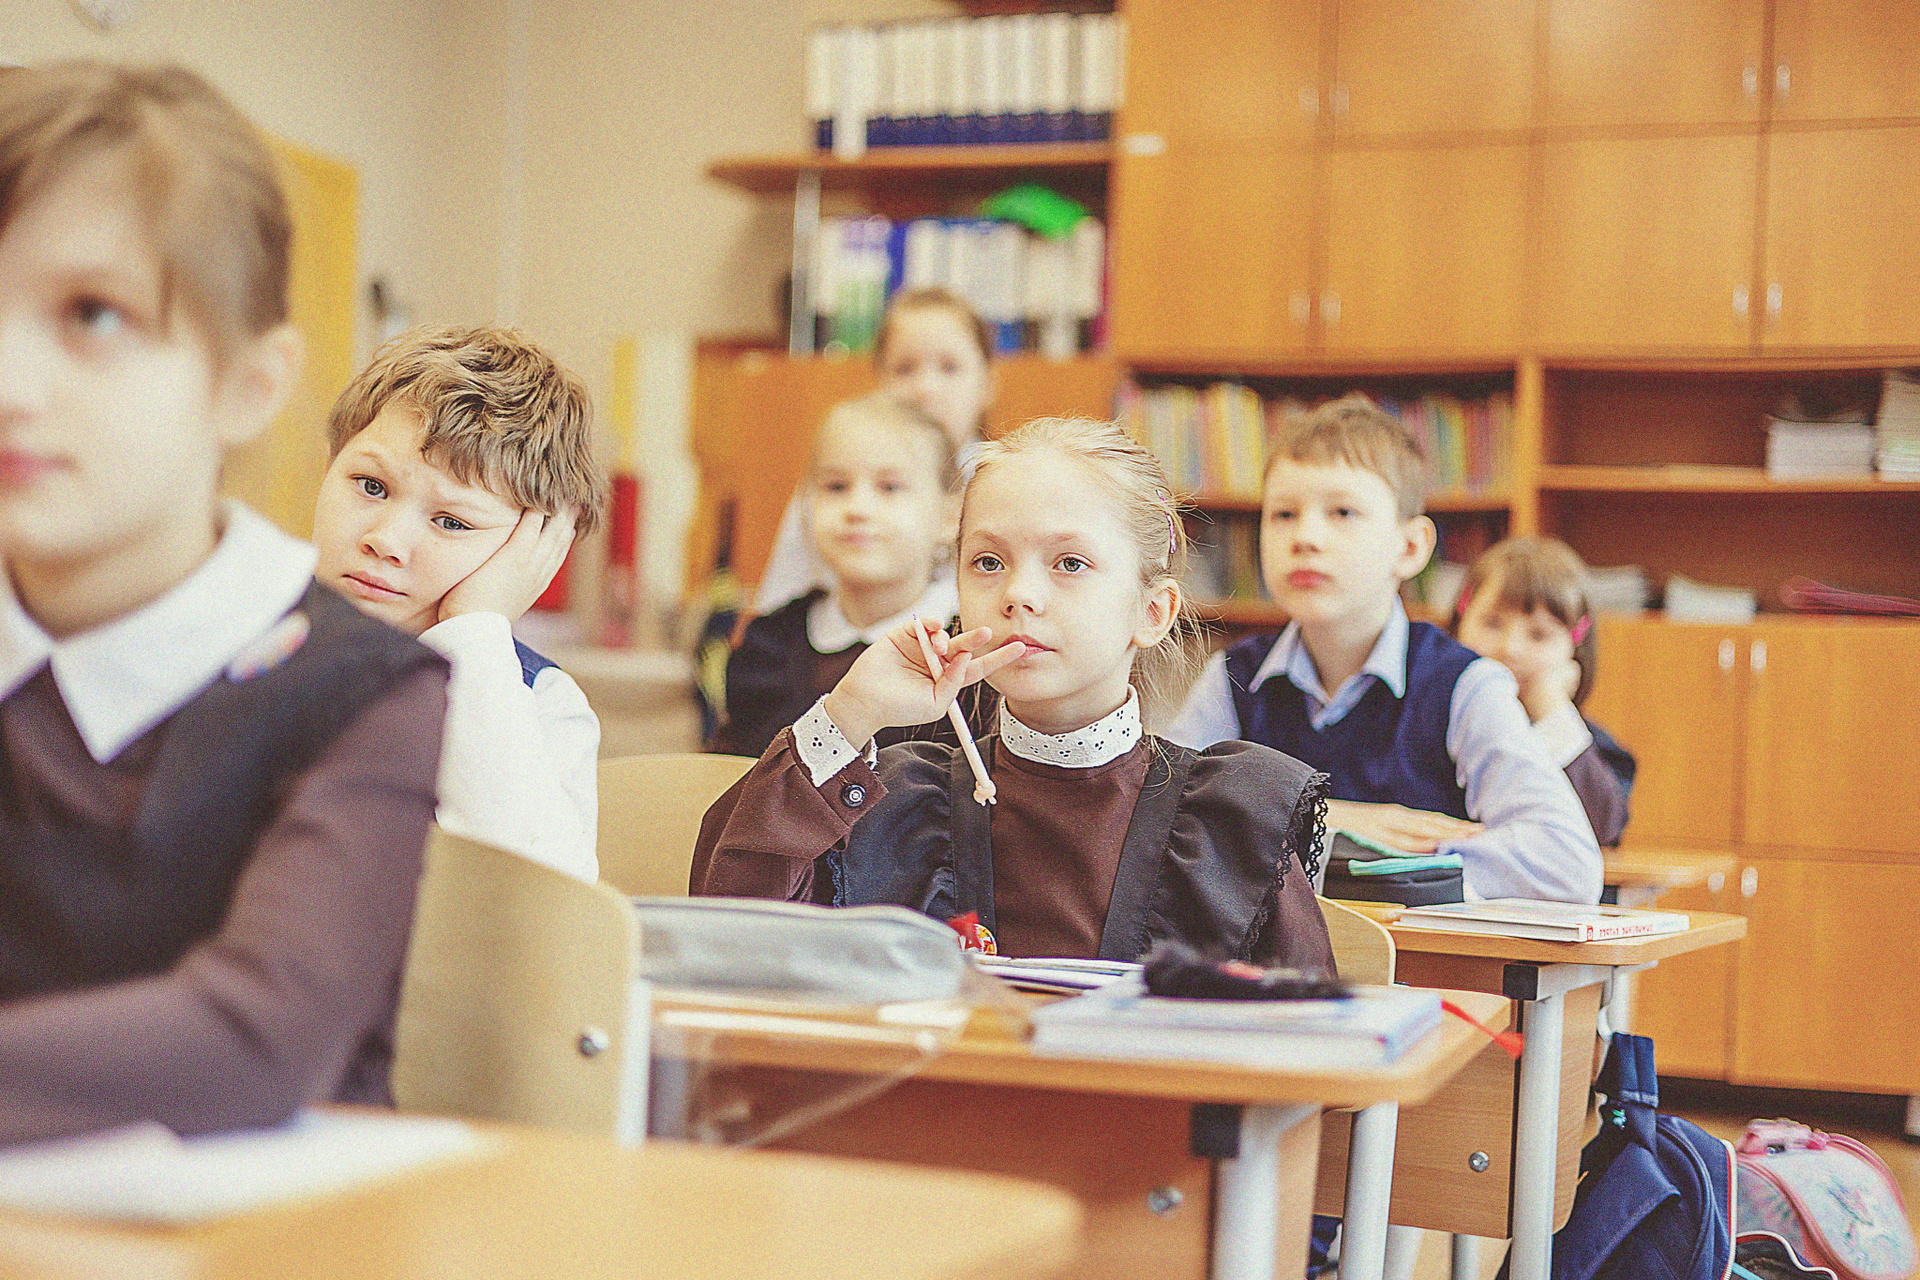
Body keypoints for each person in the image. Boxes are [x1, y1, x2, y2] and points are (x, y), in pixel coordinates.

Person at [0, 61, 449, 1145]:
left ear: (251, 385)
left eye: (93, 314)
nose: (10, 381)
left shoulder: (359, 687)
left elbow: (256, 1035)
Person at [693, 418, 1335, 971]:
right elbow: (727, 940)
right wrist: (848, 713)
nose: (1018, 594)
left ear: (1153, 611)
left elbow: (1309, 1047)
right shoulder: (899, 801)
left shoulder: (1229, 822)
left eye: (1069, 564)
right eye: (988, 562)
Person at [1165, 394, 1602, 905]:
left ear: (1411, 548)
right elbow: (1157, 825)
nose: (1305, 536)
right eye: (1283, 514)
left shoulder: (1465, 684)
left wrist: (1336, 855)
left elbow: (1566, 865)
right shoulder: (1231, 677)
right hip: (1272, 957)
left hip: (1418, 957)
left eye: (1342, 512)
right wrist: (1322, 820)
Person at [311, 324, 606, 881]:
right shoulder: (242, 637)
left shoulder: (539, 701)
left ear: (533, 547)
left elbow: (540, 895)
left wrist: (474, 630)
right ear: (329, 467)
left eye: (451, 522)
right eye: (371, 486)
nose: (386, 541)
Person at [713, 392, 960, 757]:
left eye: (889, 487)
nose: (857, 508)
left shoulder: (966, 652)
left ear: (950, 516)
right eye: (836, 487)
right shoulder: (767, 644)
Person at [753, 286, 995, 615]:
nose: (925, 389)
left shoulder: (1000, 483)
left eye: (949, 367)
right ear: (878, 379)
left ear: (987, 383)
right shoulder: (837, 478)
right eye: (905, 368)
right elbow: (779, 601)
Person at [1451, 536, 1635, 847]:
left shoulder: (1590, 748)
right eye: (1491, 623)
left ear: (1575, 648)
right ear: (1460, 621)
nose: (1510, 649)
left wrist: (1552, 709)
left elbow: (1602, 831)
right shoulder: (1418, 722)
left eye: (1539, 635)